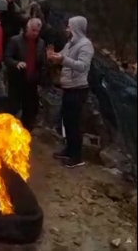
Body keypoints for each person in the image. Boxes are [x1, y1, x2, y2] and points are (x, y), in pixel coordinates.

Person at [48, 16, 94, 168]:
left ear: (76, 28)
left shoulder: (86, 46)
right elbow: (62, 55)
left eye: (69, 27)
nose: (67, 29)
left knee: (74, 123)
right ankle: (69, 149)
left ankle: (77, 157)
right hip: (68, 88)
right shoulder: (71, 43)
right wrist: (53, 56)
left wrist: (62, 60)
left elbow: (82, 66)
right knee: (67, 121)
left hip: (78, 89)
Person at [4, 18, 49, 131]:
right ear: (27, 28)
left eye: (37, 31)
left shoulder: (41, 43)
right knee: (13, 108)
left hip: (32, 82)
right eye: (33, 30)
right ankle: (9, 132)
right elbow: (7, 57)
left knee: (29, 111)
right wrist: (16, 63)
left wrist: (41, 81)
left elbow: (43, 64)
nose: (35, 33)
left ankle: (25, 134)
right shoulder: (15, 41)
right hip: (17, 81)